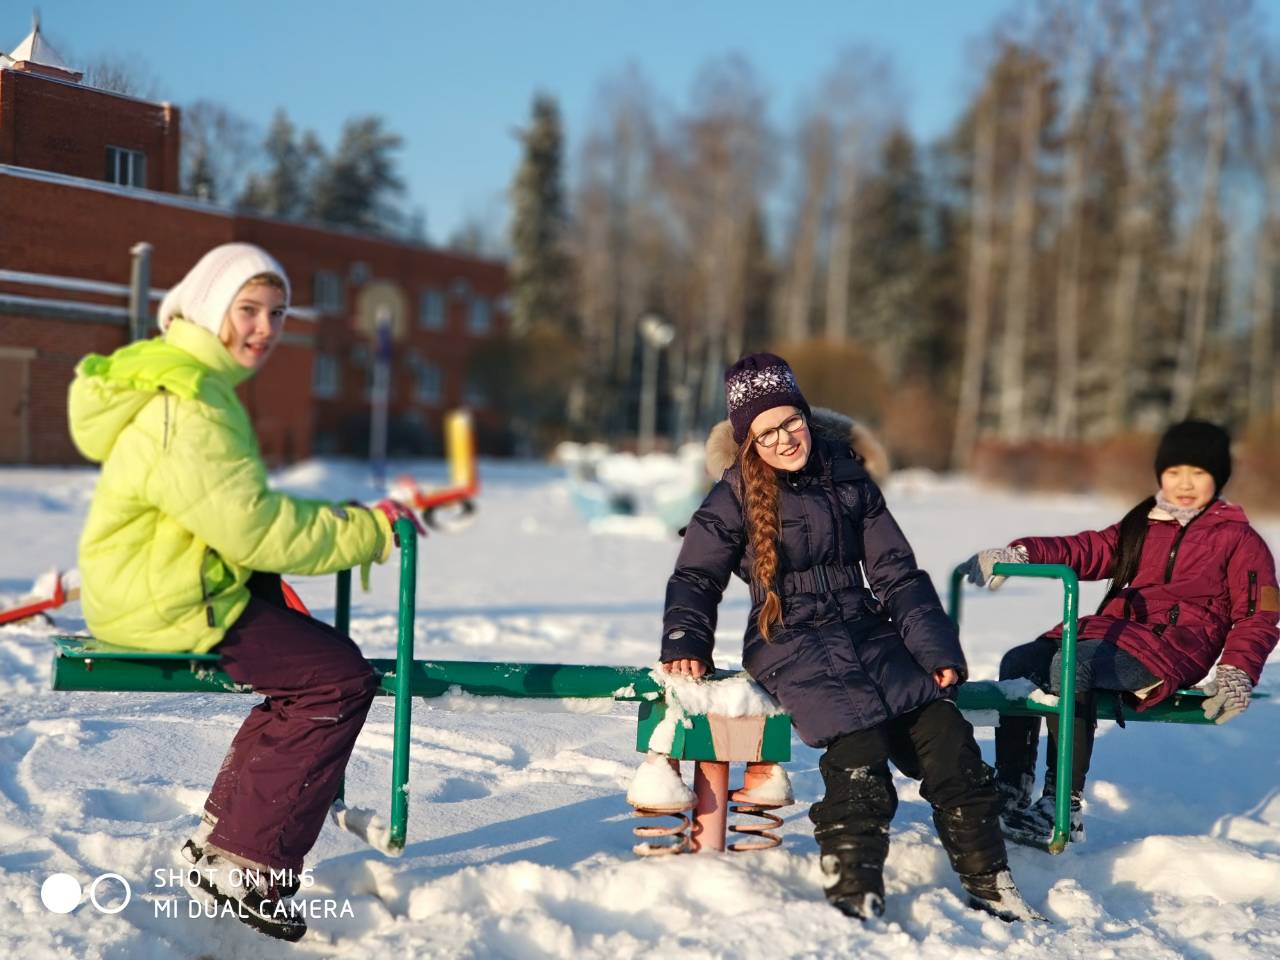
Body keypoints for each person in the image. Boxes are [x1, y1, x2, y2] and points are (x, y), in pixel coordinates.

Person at [68, 243, 420, 941]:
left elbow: (233, 509)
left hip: (161, 581)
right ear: (206, 308)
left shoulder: (187, 379)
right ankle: (248, 859)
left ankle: (227, 840)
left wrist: (351, 521)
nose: (263, 328)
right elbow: (252, 529)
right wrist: (365, 534)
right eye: (248, 310)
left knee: (311, 665)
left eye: (278, 314)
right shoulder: (192, 400)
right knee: (336, 679)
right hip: (166, 595)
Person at [660, 353, 1038, 923]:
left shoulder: (849, 479)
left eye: (791, 422)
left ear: (807, 417)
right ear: (749, 443)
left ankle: (991, 881)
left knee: (946, 738)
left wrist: (934, 650)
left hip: (867, 632)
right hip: (785, 639)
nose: (785, 439)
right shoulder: (733, 496)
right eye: (767, 433)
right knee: (858, 753)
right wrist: (687, 639)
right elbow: (695, 575)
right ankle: (854, 892)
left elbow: (897, 573)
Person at [963, 420, 1278, 848]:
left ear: (1218, 478)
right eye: (1174, 473)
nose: (1184, 484)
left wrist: (1238, 669)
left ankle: (1063, 805)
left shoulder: (1238, 540)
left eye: (1198, 474)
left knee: (1073, 666)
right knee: (1019, 662)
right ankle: (1012, 788)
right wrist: (1021, 552)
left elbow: (1258, 614)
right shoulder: (1144, 523)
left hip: (1173, 649)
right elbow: (1086, 549)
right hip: (1115, 634)